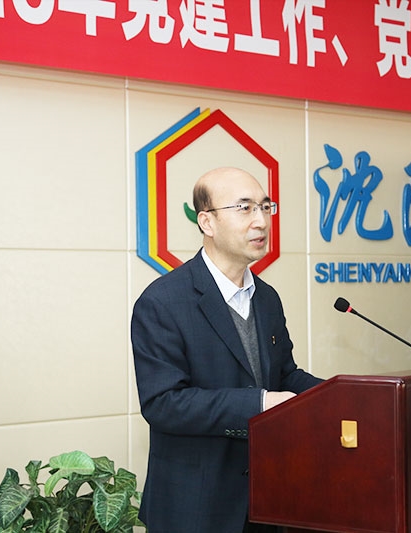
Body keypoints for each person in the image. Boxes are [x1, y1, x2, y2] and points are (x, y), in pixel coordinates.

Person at [131, 167, 323, 533]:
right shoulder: (162, 301)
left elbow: (284, 376)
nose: (261, 221)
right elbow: (163, 403)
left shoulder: (266, 298)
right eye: (245, 208)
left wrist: (343, 393)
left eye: (265, 207)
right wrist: (258, 404)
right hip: (196, 508)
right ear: (207, 222)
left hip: (266, 501)